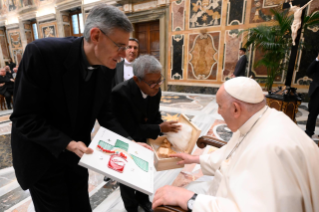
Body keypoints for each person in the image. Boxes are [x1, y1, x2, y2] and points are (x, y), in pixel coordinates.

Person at [10, 4, 134, 212]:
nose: (124, 54)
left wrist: (131, 145)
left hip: (75, 157)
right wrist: (67, 143)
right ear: (96, 36)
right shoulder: (42, 53)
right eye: (119, 46)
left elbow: (106, 115)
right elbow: (24, 117)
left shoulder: (106, 67)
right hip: (41, 159)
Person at [152, 77, 319, 212]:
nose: (217, 112)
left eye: (219, 106)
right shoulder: (262, 118)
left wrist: (189, 199)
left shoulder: (269, 150)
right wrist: (195, 159)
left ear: (236, 109)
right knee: (193, 185)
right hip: (227, 193)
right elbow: (231, 155)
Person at [112, 55, 181, 212]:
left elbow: (154, 116)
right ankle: (130, 206)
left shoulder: (155, 90)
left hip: (145, 139)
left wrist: (166, 131)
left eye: (159, 81)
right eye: (152, 83)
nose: (157, 86)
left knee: (145, 172)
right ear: (137, 80)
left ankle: (144, 199)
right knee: (127, 176)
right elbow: (131, 129)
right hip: (127, 140)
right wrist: (159, 128)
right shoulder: (120, 94)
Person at [305, 52, 319, 139]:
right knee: (313, 113)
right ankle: (309, 132)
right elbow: (308, 71)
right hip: (317, 91)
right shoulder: (317, 62)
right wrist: (317, 59)